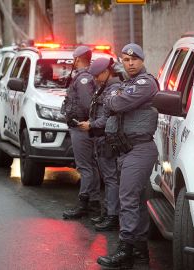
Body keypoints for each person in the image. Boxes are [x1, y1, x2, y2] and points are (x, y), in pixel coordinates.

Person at [97, 44, 159, 269]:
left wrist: (114, 97)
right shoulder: (124, 84)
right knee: (136, 203)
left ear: (142, 60)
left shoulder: (145, 83)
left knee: (128, 201)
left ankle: (125, 248)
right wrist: (114, 96)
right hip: (125, 150)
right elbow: (110, 101)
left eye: (134, 59)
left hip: (140, 149)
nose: (130, 63)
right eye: (125, 60)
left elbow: (116, 102)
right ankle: (140, 253)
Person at [78, 57, 121, 231]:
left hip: (107, 138)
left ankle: (113, 216)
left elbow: (108, 116)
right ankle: (108, 212)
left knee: (111, 179)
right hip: (101, 137)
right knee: (108, 178)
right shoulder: (105, 87)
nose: (95, 79)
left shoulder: (113, 88)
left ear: (106, 72)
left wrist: (91, 124)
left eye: (97, 75)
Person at [62, 46, 101, 220]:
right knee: (90, 167)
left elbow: (87, 105)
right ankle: (93, 203)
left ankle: (84, 204)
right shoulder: (86, 76)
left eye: (73, 58)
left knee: (85, 167)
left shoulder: (84, 78)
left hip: (82, 127)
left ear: (78, 58)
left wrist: (87, 123)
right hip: (85, 127)